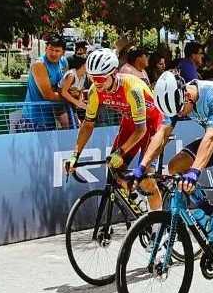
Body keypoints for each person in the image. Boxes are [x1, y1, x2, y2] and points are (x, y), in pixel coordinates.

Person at [136, 71, 213, 293]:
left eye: (181, 110)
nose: (179, 115)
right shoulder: (175, 101)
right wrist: (142, 166)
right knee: (174, 167)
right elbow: (162, 133)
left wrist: (195, 172)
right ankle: (210, 215)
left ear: (186, 95)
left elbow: (211, 137)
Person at [64, 49, 165, 209]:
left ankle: (158, 225)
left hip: (151, 125)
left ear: (114, 73)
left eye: (100, 78)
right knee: (114, 170)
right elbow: (88, 124)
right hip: (130, 122)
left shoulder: (132, 88)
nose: (97, 83)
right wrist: (75, 155)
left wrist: (120, 152)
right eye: (92, 78)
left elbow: (141, 130)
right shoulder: (95, 92)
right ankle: (138, 202)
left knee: (146, 180)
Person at [23, 37, 69, 130]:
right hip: (35, 119)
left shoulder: (63, 62)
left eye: (57, 51)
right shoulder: (39, 65)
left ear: (63, 53)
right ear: (45, 49)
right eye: (51, 49)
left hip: (51, 117)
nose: (53, 53)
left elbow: (65, 85)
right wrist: (69, 96)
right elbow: (49, 95)